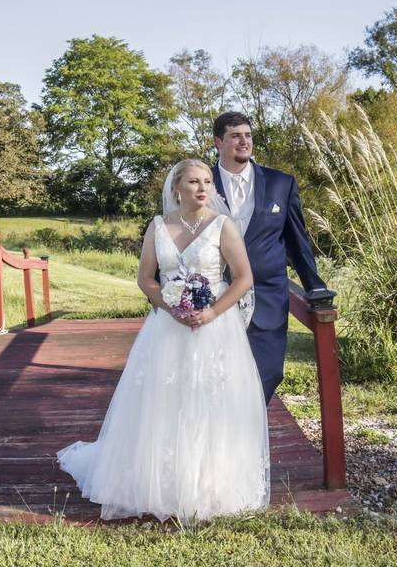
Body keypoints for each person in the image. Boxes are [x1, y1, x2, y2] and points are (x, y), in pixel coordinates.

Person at [56, 159, 270, 523]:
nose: (203, 188)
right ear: (176, 189)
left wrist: (212, 313)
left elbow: (243, 278)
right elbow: (146, 278)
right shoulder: (158, 227)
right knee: (163, 400)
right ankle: (158, 483)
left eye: (207, 182)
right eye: (193, 182)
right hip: (167, 327)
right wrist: (170, 306)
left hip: (215, 328)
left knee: (209, 400)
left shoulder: (223, 226)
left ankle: (207, 485)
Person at [210, 111, 330, 405]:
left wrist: (314, 286)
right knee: (214, 376)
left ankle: (243, 432)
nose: (244, 141)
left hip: (267, 295)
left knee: (268, 372)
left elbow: (297, 240)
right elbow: (180, 234)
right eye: (236, 135)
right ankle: (226, 444)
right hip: (214, 296)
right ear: (218, 142)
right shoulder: (201, 182)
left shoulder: (281, 183)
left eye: (248, 135)